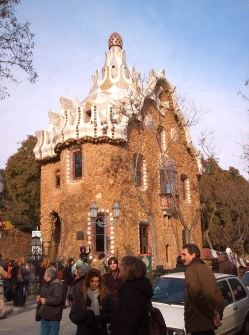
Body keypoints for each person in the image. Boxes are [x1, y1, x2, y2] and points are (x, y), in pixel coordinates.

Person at [181, 243, 224, 335]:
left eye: (184, 254)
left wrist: (212, 313)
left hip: (198, 323)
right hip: (207, 323)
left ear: (193, 255)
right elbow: (217, 294)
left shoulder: (191, 269)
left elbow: (196, 294)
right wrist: (217, 313)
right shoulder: (206, 268)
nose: (182, 258)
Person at [111, 256, 153, 335]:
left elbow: (129, 325)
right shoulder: (138, 288)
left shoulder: (131, 293)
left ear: (128, 271)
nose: (119, 275)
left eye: (120, 271)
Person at [69, 268, 113, 335]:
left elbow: (112, 314)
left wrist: (99, 318)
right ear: (87, 281)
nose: (94, 284)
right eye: (92, 281)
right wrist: (85, 315)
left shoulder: (105, 293)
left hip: (100, 330)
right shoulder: (81, 294)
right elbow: (73, 316)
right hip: (84, 331)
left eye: (96, 281)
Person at [36, 266, 64, 335]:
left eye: (45, 273)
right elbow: (44, 296)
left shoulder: (57, 285)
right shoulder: (46, 284)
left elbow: (58, 299)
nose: (44, 274)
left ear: (48, 275)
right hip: (44, 316)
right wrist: (39, 298)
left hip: (53, 317)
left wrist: (46, 300)